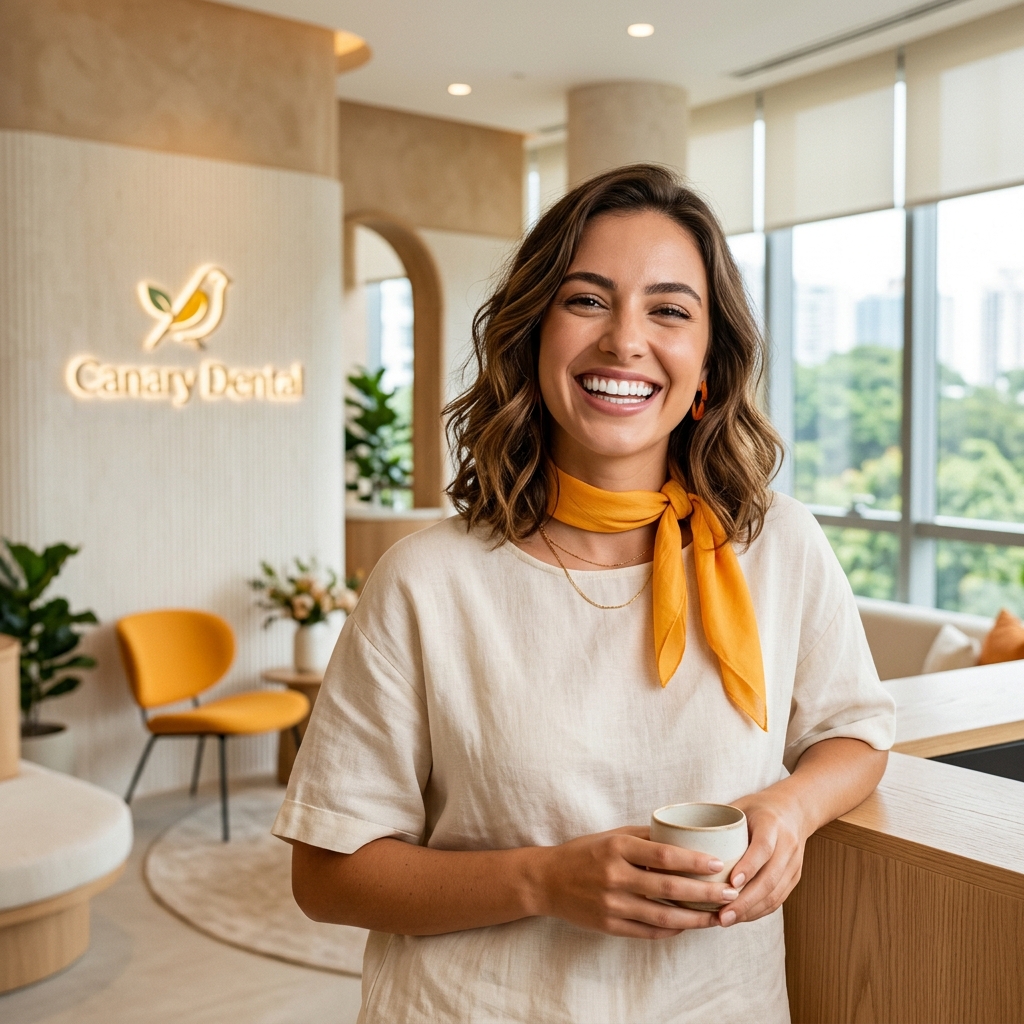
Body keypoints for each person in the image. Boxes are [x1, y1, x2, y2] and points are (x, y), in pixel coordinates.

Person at [273, 164, 896, 1023]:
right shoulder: (427, 580)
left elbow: (855, 733)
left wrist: (789, 811)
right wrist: (543, 881)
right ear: (533, 335)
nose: (625, 342)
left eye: (669, 310)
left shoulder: (778, 544)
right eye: (588, 300)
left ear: (708, 365)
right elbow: (327, 875)